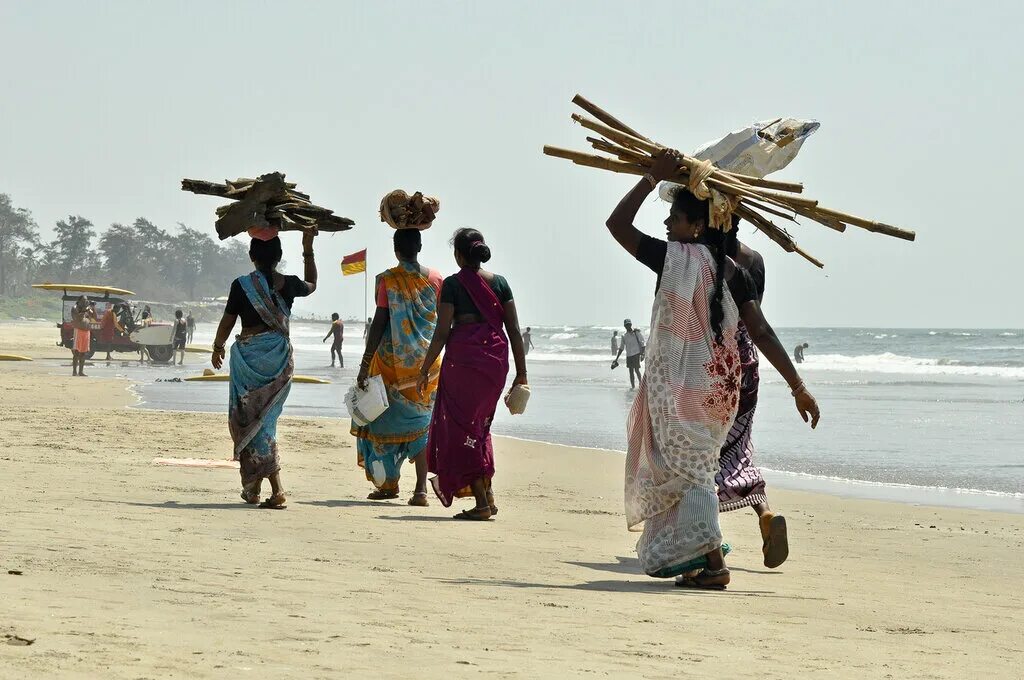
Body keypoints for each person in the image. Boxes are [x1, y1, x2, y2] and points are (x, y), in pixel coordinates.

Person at [606, 149, 820, 589]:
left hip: (686, 387)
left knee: (694, 473)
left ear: (697, 225)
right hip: (722, 389)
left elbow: (616, 225)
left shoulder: (674, 260)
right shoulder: (735, 270)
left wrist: (650, 179)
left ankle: (713, 563)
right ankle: (701, 557)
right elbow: (760, 332)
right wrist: (797, 384)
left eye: (675, 218)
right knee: (695, 470)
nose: (666, 226)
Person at [418, 228, 528, 520]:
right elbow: (514, 331)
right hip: (495, 362)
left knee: (461, 429)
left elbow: (442, 332)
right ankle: (488, 497)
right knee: (479, 427)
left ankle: (480, 503)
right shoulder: (501, 283)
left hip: (464, 363)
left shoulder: (453, 285)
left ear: (458, 254)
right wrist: (522, 374)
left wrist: (425, 366)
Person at [212, 230, 318, 509]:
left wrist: (217, 346)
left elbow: (228, 321)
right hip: (279, 360)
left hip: (248, 359)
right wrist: (309, 247)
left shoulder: (241, 285)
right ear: (280, 257)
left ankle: (277, 488)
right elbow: (312, 283)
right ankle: (253, 489)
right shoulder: (290, 284)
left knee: (251, 421)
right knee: (265, 421)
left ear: (251, 256)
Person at [713, 219, 788, 567]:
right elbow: (755, 317)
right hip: (747, 363)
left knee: (701, 453)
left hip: (713, 363)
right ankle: (766, 515)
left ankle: (708, 541)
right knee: (740, 447)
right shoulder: (755, 259)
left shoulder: (707, 257)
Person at [355, 229, 443, 505]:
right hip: (427, 365)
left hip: (391, 364)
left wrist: (365, 362)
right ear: (420, 246)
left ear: (395, 249)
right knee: (421, 424)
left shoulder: (388, 281)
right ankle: (420, 490)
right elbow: (441, 324)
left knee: (382, 420)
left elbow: (379, 323)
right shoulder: (437, 279)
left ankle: (388, 484)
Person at [613, 319, 645, 389]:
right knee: (631, 372)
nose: (628, 326)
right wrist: (616, 358)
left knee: (637, 370)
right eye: (626, 325)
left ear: (631, 324)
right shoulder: (624, 336)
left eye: (629, 324)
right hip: (629, 356)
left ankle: (641, 384)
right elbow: (621, 348)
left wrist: (643, 354)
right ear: (624, 326)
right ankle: (633, 387)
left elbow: (643, 343)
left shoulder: (636, 333)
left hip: (636, 354)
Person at [70, 295, 93, 376]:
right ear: (79, 301)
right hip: (79, 331)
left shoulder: (87, 308)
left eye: (86, 301)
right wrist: (83, 311)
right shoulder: (75, 308)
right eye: (83, 300)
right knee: (76, 352)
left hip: (86, 331)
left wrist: (90, 310)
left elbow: (93, 317)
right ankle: (74, 371)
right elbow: (77, 319)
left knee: (83, 353)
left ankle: (81, 371)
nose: (85, 302)